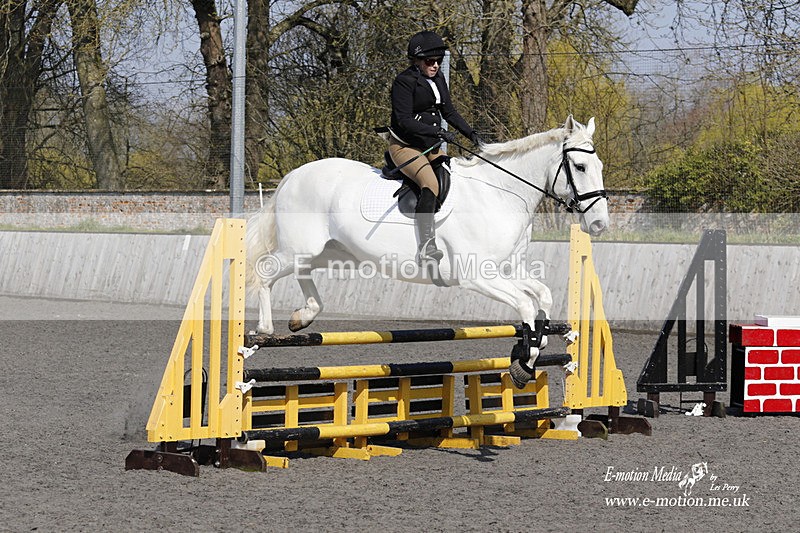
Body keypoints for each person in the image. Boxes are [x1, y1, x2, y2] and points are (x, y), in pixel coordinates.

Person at [388, 30, 481, 265]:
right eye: (430, 61)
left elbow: (448, 112)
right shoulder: (404, 82)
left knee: (454, 179)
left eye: (438, 61)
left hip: (430, 146)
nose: (436, 65)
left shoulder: (438, 79)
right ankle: (426, 246)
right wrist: (437, 132)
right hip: (405, 146)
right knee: (430, 183)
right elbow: (404, 121)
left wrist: (471, 134)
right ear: (417, 61)